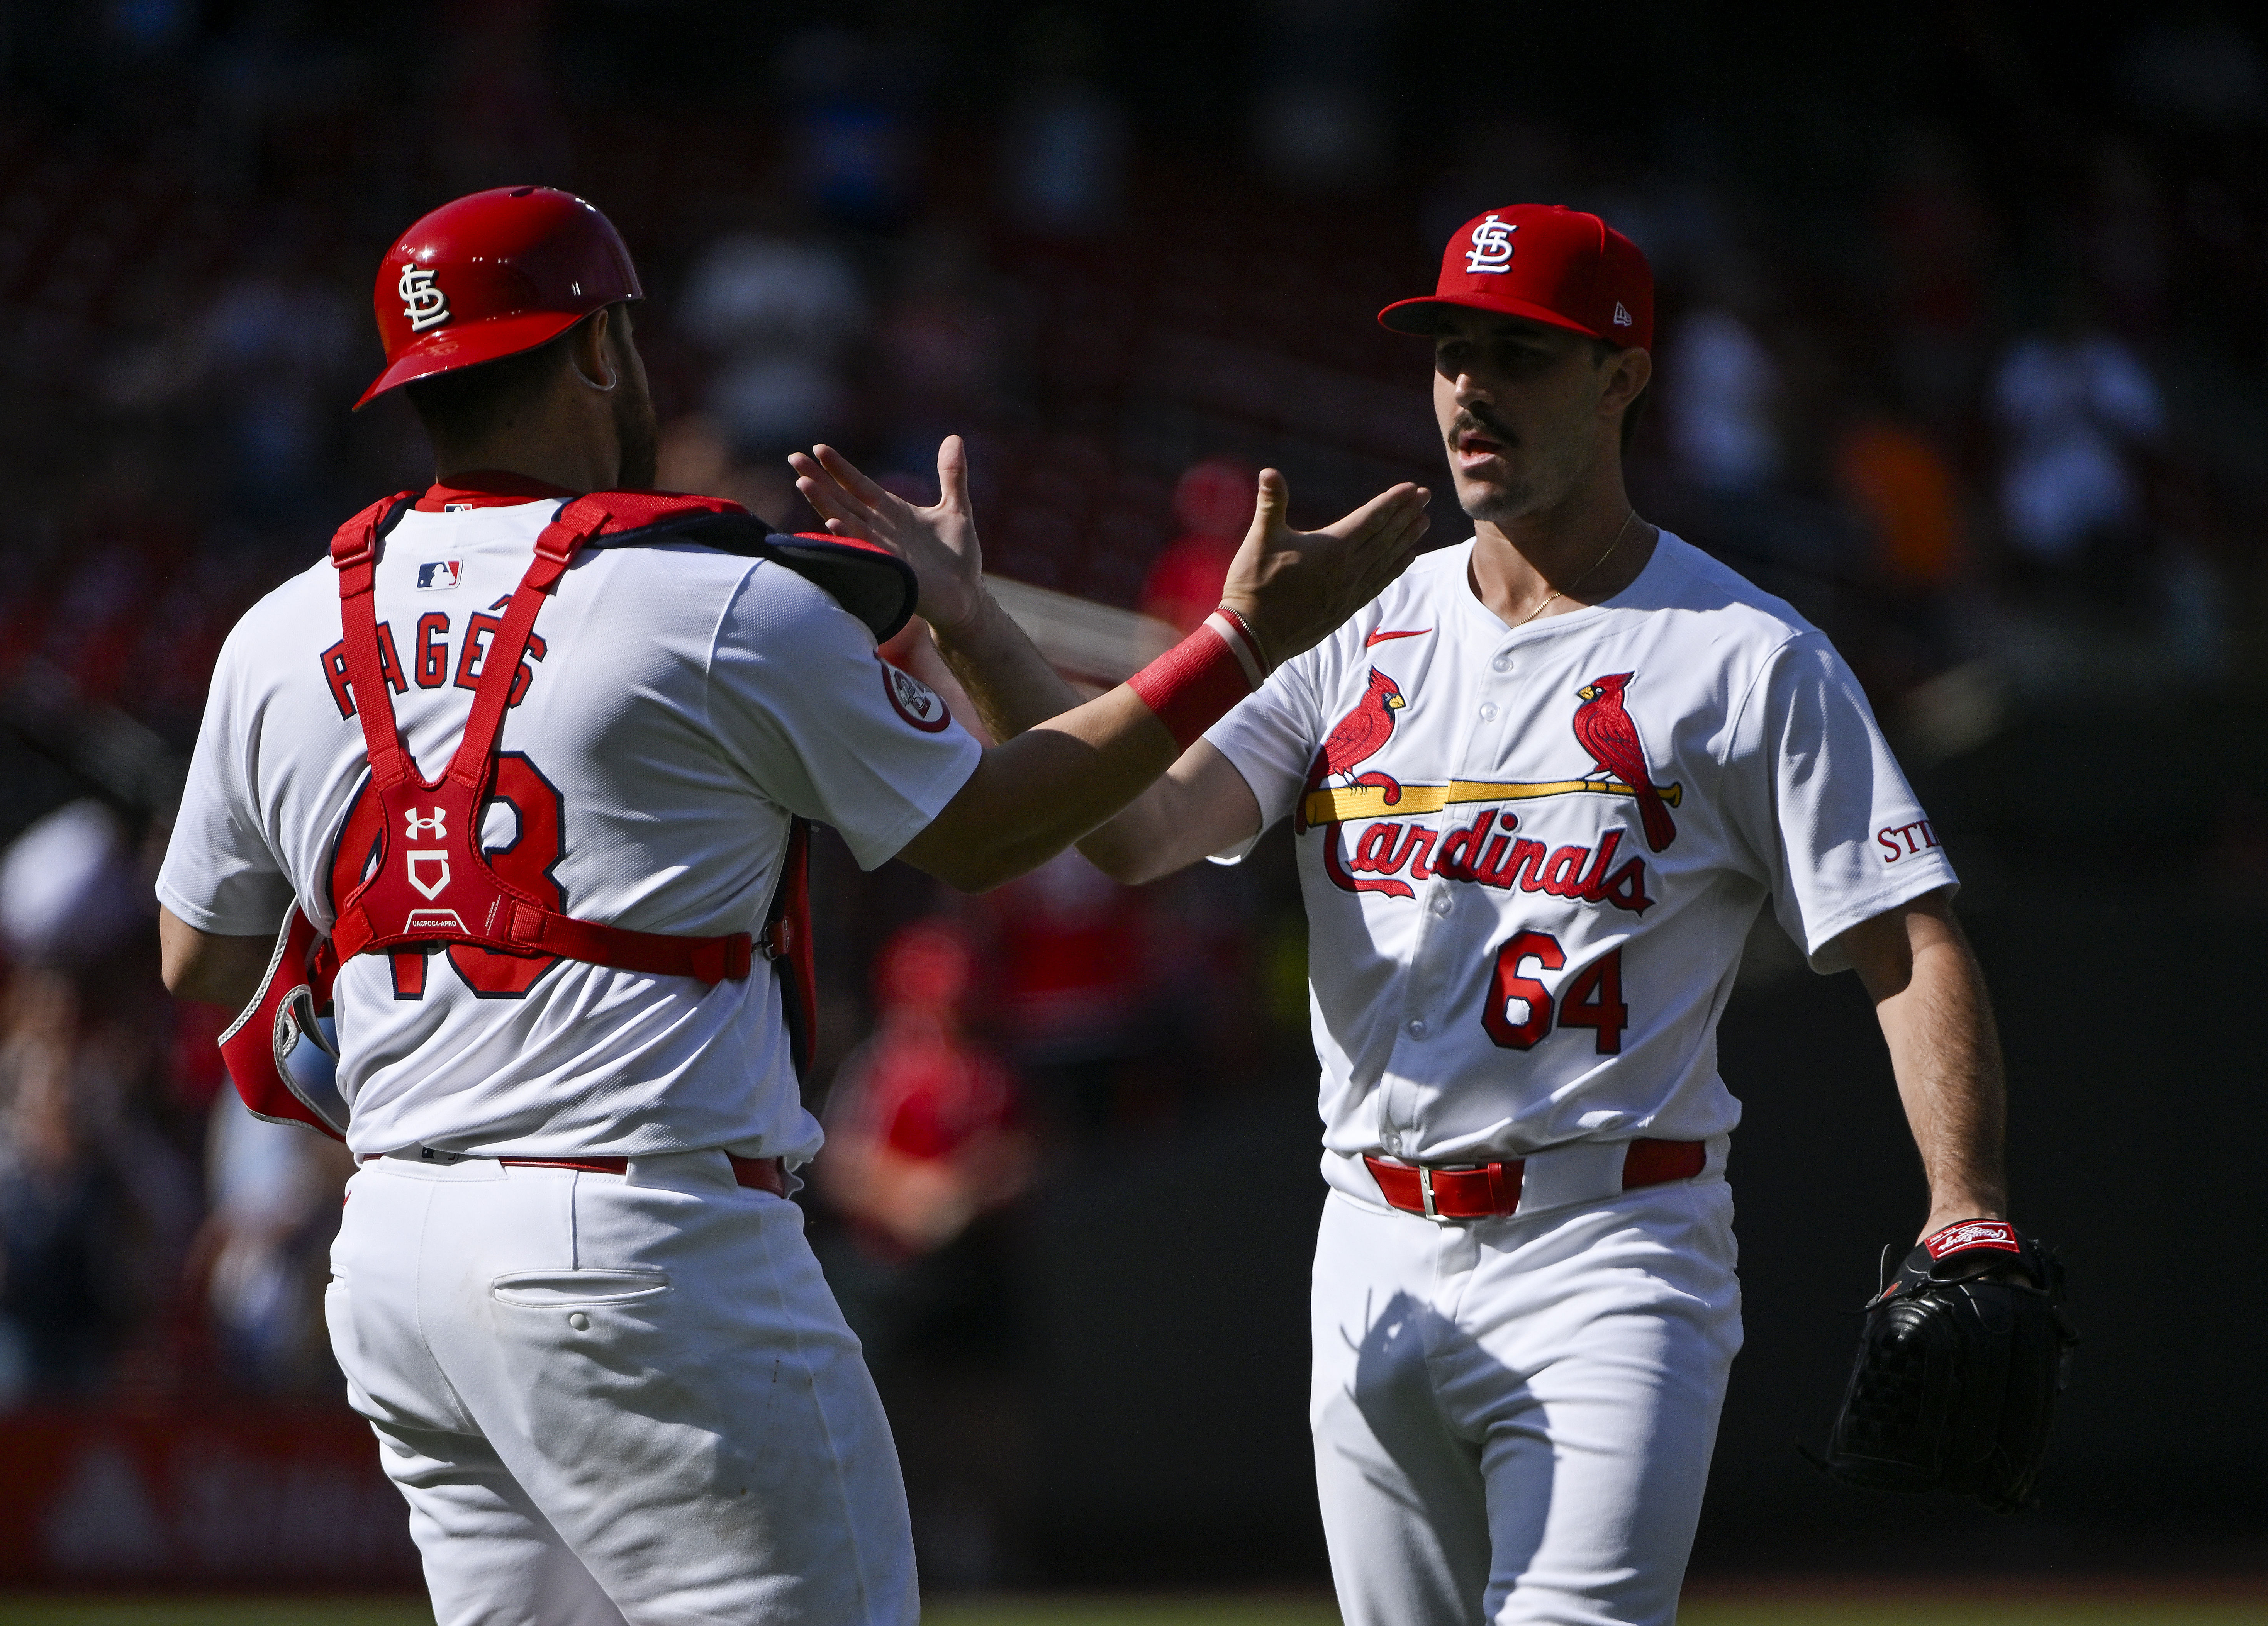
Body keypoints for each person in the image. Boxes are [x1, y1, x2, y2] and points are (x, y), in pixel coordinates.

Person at [153, 185, 1427, 1626]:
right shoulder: (710, 600)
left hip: (396, 1254)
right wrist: (1243, 635)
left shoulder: (280, 626)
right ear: (593, 354)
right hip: (639, 1241)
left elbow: (201, 957)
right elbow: (995, 828)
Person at [792, 203, 2015, 1626]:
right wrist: (975, 627)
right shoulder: (1356, 632)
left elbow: (1906, 938)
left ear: (1624, 379)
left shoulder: (1747, 659)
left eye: (1519, 354)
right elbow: (1130, 830)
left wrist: (1966, 1208)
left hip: (1610, 1244)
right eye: (1447, 351)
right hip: (1369, 1240)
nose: (1468, 387)